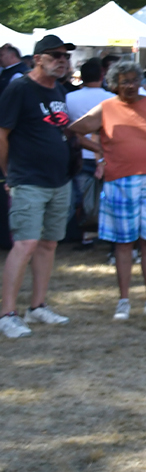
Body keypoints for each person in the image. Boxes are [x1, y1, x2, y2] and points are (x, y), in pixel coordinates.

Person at [69, 61, 146, 321]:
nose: (130, 85)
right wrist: (100, 151)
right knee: (124, 243)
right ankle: (124, 301)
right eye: (124, 81)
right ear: (114, 84)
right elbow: (76, 129)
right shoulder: (106, 107)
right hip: (120, 181)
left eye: (134, 80)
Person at [0, 35, 80, 338]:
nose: (62, 60)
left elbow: (60, 127)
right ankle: (7, 313)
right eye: (55, 55)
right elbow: (2, 134)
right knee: (25, 244)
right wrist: (10, 174)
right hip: (27, 179)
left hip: (59, 179)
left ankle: (38, 306)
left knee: (48, 244)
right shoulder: (19, 88)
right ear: (37, 59)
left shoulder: (59, 89)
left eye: (65, 56)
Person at [64, 59, 108, 247]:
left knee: (81, 198)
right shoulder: (110, 98)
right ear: (102, 75)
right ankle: (103, 232)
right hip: (104, 154)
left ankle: (82, 234)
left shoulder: (69, 98)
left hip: (79, 153)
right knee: (103, 198)